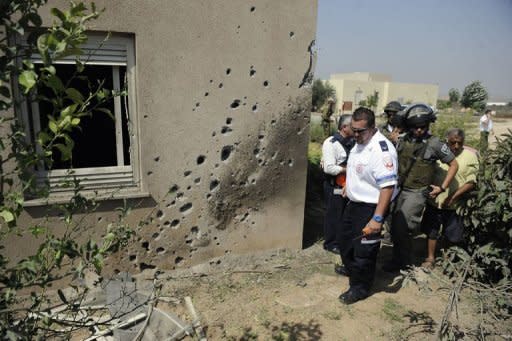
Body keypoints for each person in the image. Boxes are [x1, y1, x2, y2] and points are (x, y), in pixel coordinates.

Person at [383, 103, 459, 272]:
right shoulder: (403, 139)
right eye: (415, 127)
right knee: (394, 226)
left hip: (417, 192)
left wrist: (442, 187)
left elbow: (454, 164)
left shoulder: (435, 144)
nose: (419, 130)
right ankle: (398, 258)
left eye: (422, 127)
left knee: (403, 227)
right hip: (399, 188)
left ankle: (403, 262)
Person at [337, 107, 398, 304]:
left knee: (364, 251)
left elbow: (387, 187)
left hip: (371, 207)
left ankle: (360, 287)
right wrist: (349, 185)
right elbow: (357, 169)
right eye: (353, 129)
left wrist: (377, 218)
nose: (355, 134)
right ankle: (351, 268)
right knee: (345, 241)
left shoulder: (382, 150)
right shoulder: (360, 142)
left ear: (372, 127)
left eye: (360, 131)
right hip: (354, 203)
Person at [420, 128, 478, 269]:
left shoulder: (470, 156)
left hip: (454, 204)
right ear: (447, 140)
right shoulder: (438, 152)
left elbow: (471, 181)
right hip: (435, 202)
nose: (456, 146)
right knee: (432, 231)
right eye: (453, 143)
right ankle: (430, 258)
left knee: (452, 234)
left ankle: (447, 257)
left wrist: (454, 196)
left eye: (460, 143)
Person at [321, 115, 355, 253]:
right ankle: (331, 243)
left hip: (347, 185)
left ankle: (340, 240)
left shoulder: (353, 141)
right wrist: (348, 169)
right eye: (353, 126)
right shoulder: (331, 143)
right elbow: (328, 168)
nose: (356, 129)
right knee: (334, 215)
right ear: (344, 127)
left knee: (344, 215)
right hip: (334, 186)